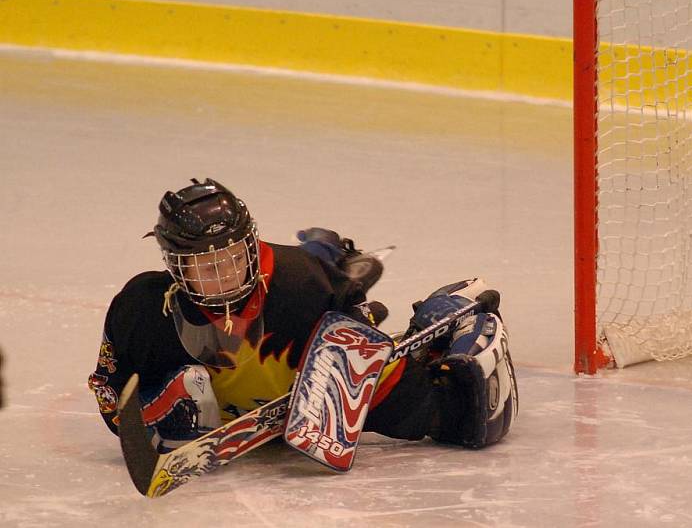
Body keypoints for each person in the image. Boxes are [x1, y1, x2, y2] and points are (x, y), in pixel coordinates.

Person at [88, 178, 517, 453]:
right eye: (204, 265)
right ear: (175, 265)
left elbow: (358, 332)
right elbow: (109, 390)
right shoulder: (142, 307)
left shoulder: (300, 285)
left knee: (461, 417)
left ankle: (442, 308)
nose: (221, 275)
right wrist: (152, 416)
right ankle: (326, 246)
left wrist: (369, 338)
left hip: (312, 299)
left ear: (252, 250)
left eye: (233, 258)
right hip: (300, 286)